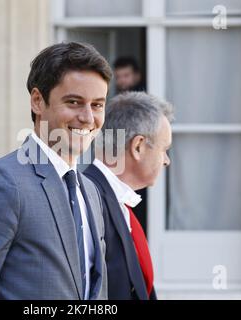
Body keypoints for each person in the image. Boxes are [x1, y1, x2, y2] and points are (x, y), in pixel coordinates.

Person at [0, 42, 112, 300]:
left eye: (97, 105)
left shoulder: (91, 191)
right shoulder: (1, 185)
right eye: (74, 102)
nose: (88, 117)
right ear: (37, 101)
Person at [84, 91, 174, 300]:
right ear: (138, 147)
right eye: (164, 149)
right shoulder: (87, 200)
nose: (166, 160)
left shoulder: (113, 199)